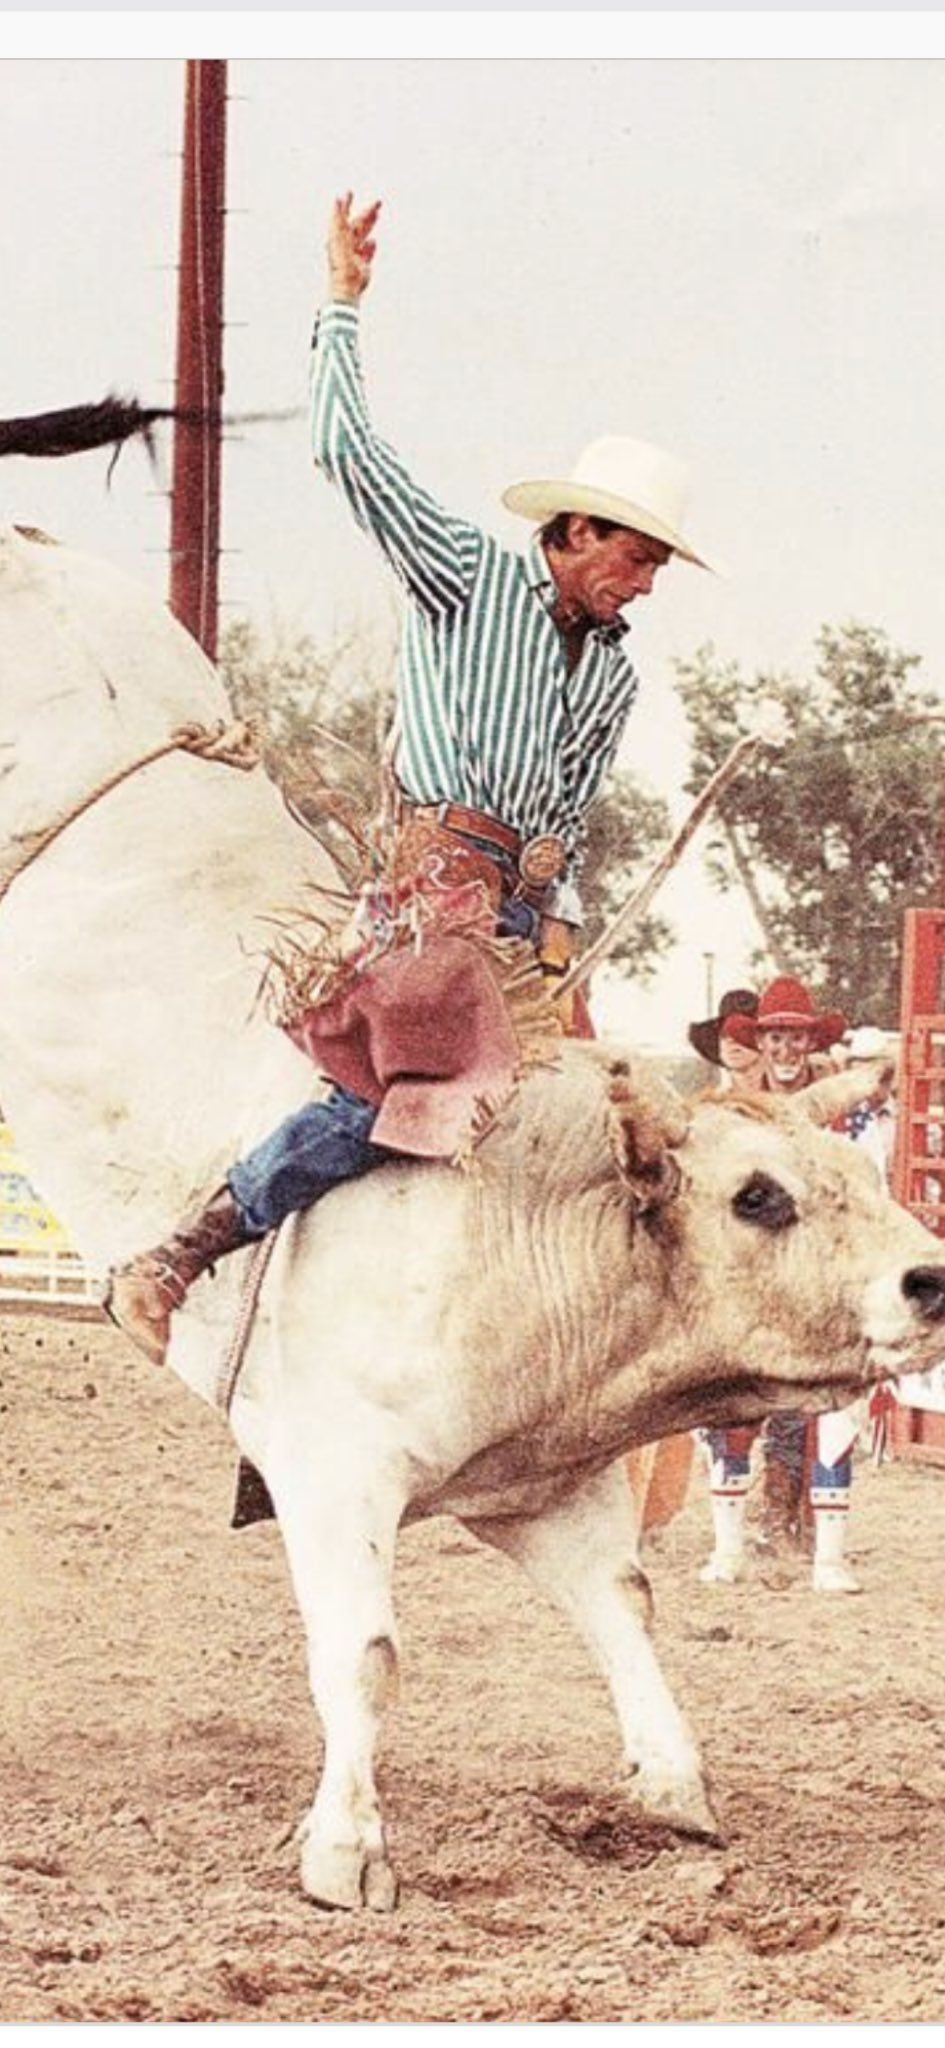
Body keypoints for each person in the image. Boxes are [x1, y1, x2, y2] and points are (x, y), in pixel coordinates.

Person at [107, 192, 713, 1369]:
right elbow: (348, 455)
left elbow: (572, 814)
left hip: (522, 906)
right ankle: (182, 1250)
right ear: (577, 532)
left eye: (653, 565)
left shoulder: (614, 679)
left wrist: (553, 922)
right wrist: (341, 301)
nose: (643, 583)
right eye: (635, 556)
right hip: (431, 882)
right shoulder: (471, 575)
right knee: (406, 1087)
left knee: (563, 1111)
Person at [694, 974, 886, 1595]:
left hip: (826, 1277)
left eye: (794, 1038)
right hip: (757, 1277)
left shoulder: (841, 1112)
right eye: (775, 1037)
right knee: (732, 1403)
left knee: (830, 1406)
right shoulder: (735, 1112)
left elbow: (864, 1185)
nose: (783, 1050)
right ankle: (729, 1547)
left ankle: (824, 1552)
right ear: (762, 1042)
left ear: (808, 1044)